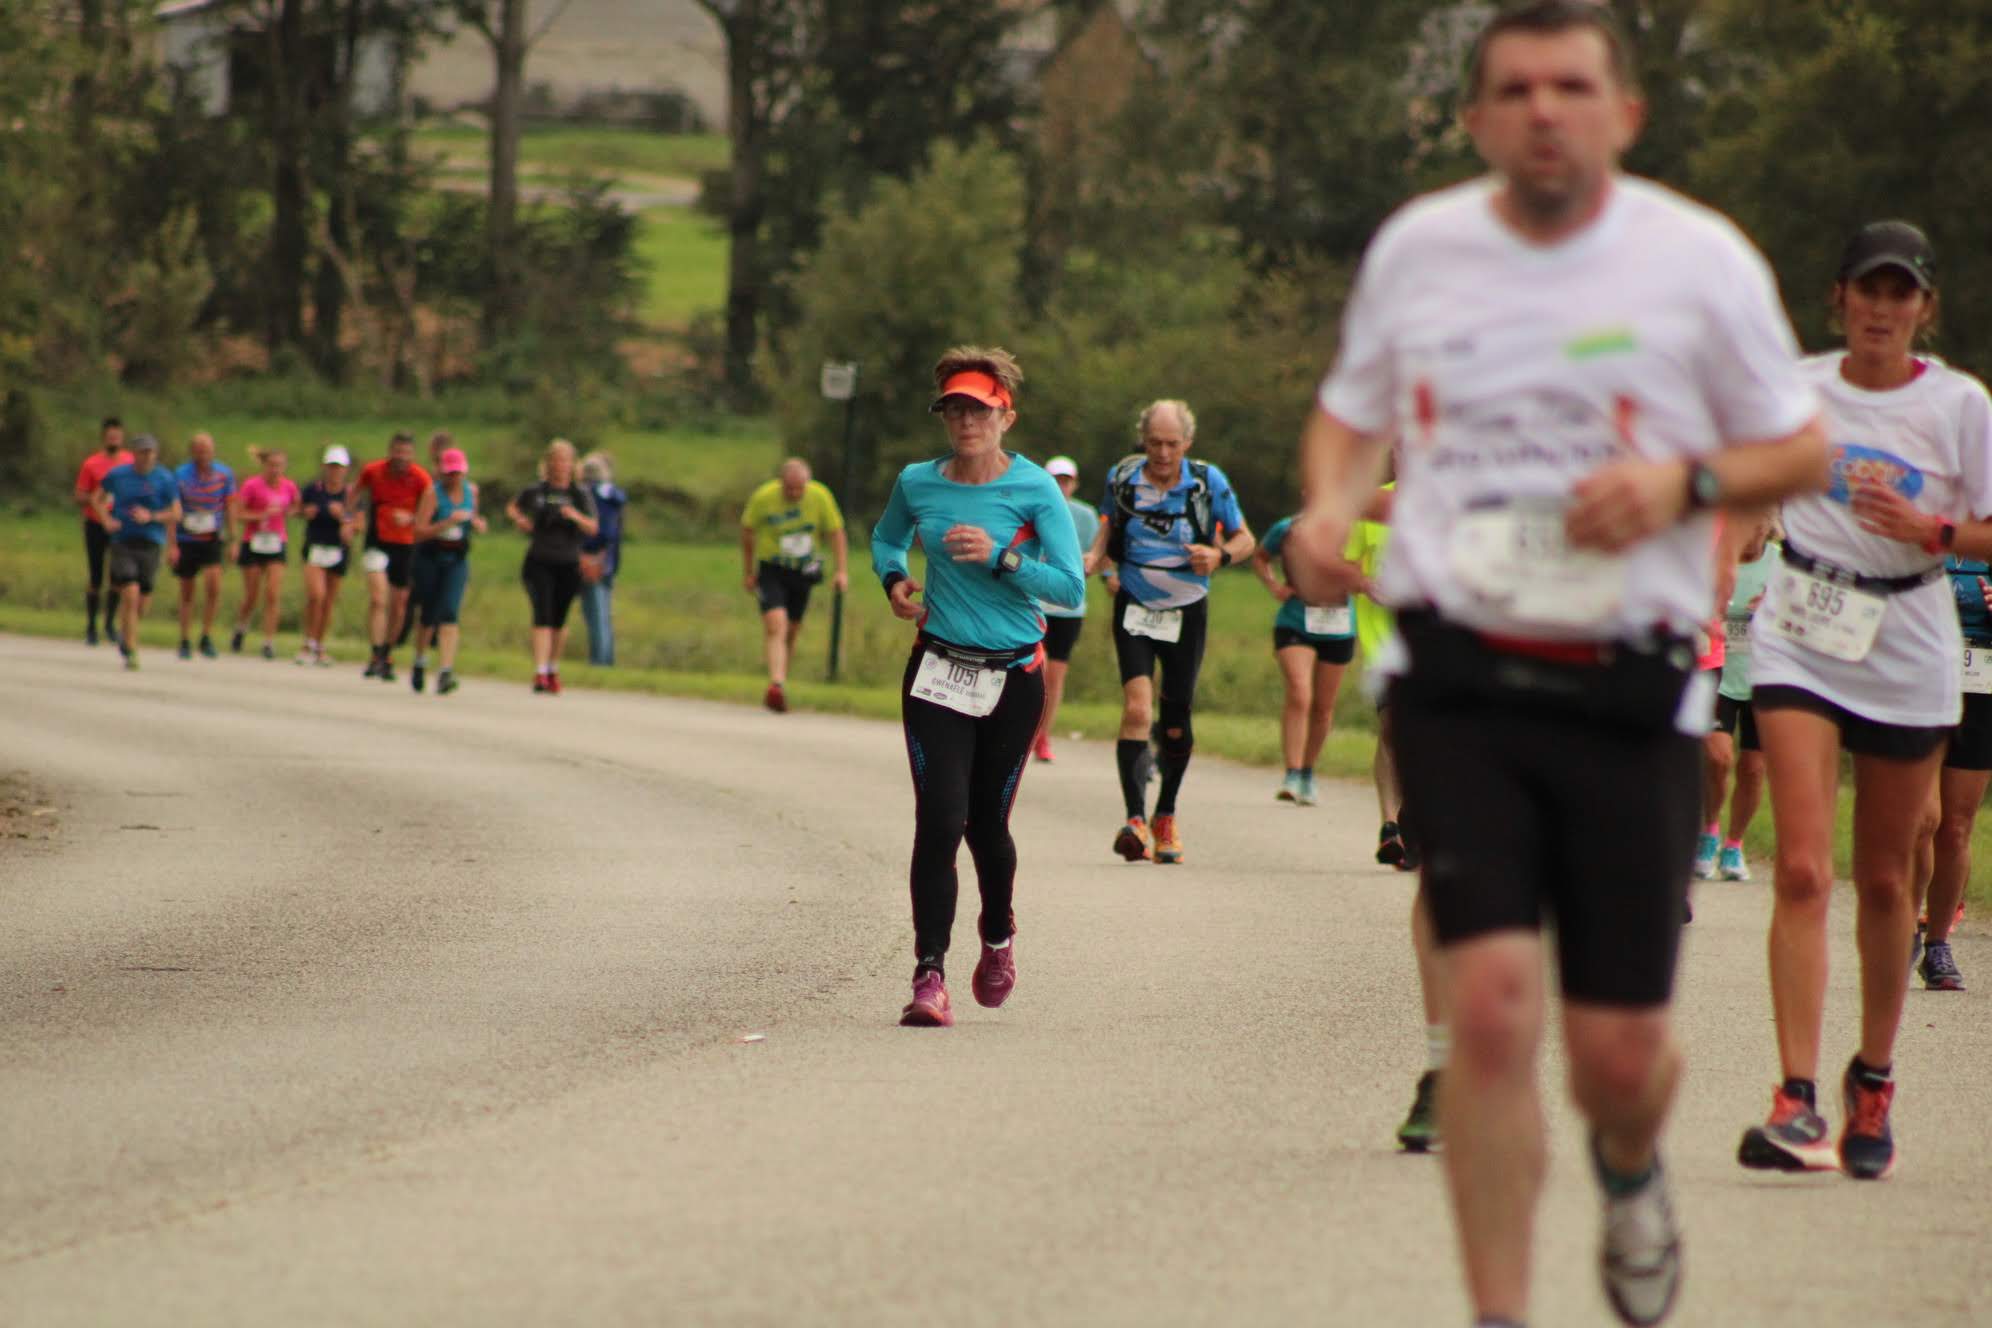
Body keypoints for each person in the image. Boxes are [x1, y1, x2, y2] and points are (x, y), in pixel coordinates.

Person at [1283, 4, 1828, 1323]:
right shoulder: (1422, 251)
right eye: (1515, 88)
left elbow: (1803, 448)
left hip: (1627, 677)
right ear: (1475, 118)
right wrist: (1327, 504)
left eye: (1571, 86)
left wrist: (1684, 483)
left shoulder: (1698, 260)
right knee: (1488, 1015)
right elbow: (1351, 415)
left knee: (1618, 1058)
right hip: (1459, 667)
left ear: (1623, 113)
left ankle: (1631, 1166)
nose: (1544, 109)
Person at [1740, 221, 1992, 1182]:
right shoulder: (1796, 391)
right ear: (1839, 298)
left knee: (1886, 879)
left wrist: (1934, 530)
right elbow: (1744, 489)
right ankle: (1795, 1097)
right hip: (1803, 622)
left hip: (1910, 634)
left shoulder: (1960, 405)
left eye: (1901, 293)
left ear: (1924, 307)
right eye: (1868, 290)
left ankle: (1873, 1079)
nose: (1883, 309)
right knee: (1805, 869)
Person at [870, 346, 1085, 1027]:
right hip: (938, 668)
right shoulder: (917, 482)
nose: (967, 422)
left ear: (1006, 418)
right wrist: (895, 581)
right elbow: (885, 540)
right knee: (939, 820)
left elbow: (1070, 588)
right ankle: (929, 974)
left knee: (986, 824)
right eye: (955, 410)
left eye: (981, 411)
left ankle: (997, 937)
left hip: (1013, 677)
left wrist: (1002, 558)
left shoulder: (1035, 489)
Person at [1085, 399, 1253, 865]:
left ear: (1187, 443)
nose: (1162, 453)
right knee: (1137, 709)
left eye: (1172, 444)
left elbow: (1245, 539)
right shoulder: (1123, 478)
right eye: (1154, 443)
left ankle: (1166, 815)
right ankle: (1135, 820)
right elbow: (1105, 532)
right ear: (1142, 440)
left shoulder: (1207, 482)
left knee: (1175, 721)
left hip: (1187, 610)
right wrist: (1092, 559)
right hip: (1135, 604)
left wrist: (1219, 556)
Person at [1908, 551, 1992, 991]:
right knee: (1923, 819)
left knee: (1956, 826)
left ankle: (1938, 943)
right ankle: (1904, 927)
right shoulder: (1920, 528)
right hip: (1920, 679)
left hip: (1981, 686)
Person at [1254, 503, 1358, 805]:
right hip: (1295, 622)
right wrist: (1274, 585)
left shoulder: (1354, 528)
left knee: (1323, 707)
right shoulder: (1288, 528)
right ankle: (1292, 772)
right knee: (1300, 693)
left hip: (1338, 626)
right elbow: (1261, 557)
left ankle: (1308, 773)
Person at [1695, 515, 1779, 882]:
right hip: (1719, 670)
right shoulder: (1715, 555)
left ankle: (1734, 844)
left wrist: (1774, 607)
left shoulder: (1780, 563)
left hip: (1762, 676)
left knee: (1754, 768)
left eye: (1759, 521)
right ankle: (1710, 831)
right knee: (1718, 757)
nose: (1753, 529)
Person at [740, 458, 849, 712]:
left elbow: (836, 532)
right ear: (781, 483)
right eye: (789, 489)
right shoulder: (764, 497)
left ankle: (779, 686)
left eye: (799, 489)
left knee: (792, 629)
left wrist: (841, 571)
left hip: (804, 570)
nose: (794, 494)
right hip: (772, 568)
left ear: (807, 484)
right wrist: (748, 572)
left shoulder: (820, 496)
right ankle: (776, 683)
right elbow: (747, 531)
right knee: (775, 623)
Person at [507, 438, 599, 694]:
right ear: (549, 463)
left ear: (572, 464)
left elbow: (593, 527)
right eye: (556, 460)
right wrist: (520, 520)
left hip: (568, 562)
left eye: (565, 460)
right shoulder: (537, 491)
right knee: (542, 614)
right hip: (540, 559)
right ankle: (540, 672)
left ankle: (552, 667)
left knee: (559, 619)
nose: (561, 465)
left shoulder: (579, 495)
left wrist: (574, 516)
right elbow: (513, 507)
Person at [93, 434, 183, 671]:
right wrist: (106, 519)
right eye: (142, 452)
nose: (147, 456)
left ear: (156, 454)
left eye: (150, 452)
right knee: (130, 592)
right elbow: (97, 498)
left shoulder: (165, 478)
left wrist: (152, 517)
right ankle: (132, 650)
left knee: (142, 601)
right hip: (123, 540)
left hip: (151, 542)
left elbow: (176, 513)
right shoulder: (118, 475)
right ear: (134, 453)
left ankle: (126, 633)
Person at [352, 432, 432, 682]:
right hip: (377, 541)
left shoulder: (421, 478)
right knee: (378, 598)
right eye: (397, 452)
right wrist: (352, 518)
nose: (401, 457)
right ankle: (375, 652)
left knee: (399, 604)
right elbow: (354, 494)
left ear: (413, 455)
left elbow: (429, 511)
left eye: (406, 453)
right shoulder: (373, 471)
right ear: (390, 452)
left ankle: (387, 652)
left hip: (405, 544)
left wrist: (411, 518)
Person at [1033, 455, 1098, 762]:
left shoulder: (1085, 516)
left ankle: (1043, 736)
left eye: (1066, 481)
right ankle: (1022, 733)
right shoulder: (1032, 508)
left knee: (1054, 676)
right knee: (1032, 671)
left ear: (1075, 484)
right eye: (1055, 480)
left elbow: (1096, 554)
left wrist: (1103, 572)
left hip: (1068, 609)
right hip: (1035, 604)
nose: (1061, 486)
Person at [408, 447, 486, 695]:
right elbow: (418, 532)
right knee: (429, 612)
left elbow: (472, 518)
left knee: (450, 611)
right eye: (450, 473)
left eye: (458, 473)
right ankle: (420, 660)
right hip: (431, 556)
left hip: (456, 558)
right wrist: (446, 523)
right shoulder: (432, 494)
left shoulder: (471, 492)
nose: (454, 478)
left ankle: (445, 670)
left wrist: (476, 524)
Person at [228, 448, 300, 660]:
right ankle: (241, 627)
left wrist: (290, 512)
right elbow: (238, 513)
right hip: (253, 541)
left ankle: (268, 641)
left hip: (276, 542)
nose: (275, 470)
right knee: (252, 594)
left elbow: (296, 506)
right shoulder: (252, 485)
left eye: (279, 465)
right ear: (264, 466)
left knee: (273, 593)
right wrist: (260, 515)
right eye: (271, 465)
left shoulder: (289, 486)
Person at [172, 431, 235, 660]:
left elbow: (230, 506)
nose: (203, 455)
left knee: (213, 586)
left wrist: (233, 539)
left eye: (207, 450)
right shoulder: (180, 474)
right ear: (192, 452)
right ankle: (185, 638)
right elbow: (174, 508)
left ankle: (206, 635)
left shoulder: (224, 474)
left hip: (211, 537)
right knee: (187, 591)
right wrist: (172, 543)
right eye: (199, 451)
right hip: (187, 538)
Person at [297, 446, 358, 666]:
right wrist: (305, 512)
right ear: (325, 467)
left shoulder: (351, 494)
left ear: (346, 469)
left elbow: (359, 523)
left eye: (339, 467)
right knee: (316, 595)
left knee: (329, 601)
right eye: (332, 466)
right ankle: (307, 643)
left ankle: (319, 644)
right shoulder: (313, 489)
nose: (335, 471)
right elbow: (296, 509)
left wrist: (344, 519)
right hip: (315, 547)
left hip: (338, 550)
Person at [74, 416, 132, 647]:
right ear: (104, 438)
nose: (114, 440)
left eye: (117, 436)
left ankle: (109, 623)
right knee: (96, 575)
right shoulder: (92, 464)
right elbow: (79, 495)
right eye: (110, 436)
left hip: (119, 524)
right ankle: (91, 625)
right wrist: (96, 498)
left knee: (117, 575)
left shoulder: (129, 462)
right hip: (96, 523)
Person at [578, 450, 628, 667]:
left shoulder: (591, 495)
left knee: (596, 614)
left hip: (594, 560)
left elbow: (602, 531)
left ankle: (600, 662)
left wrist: (589, 552)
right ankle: (605, 660)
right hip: (609, 561)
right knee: (603, 614)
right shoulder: (613, 494)